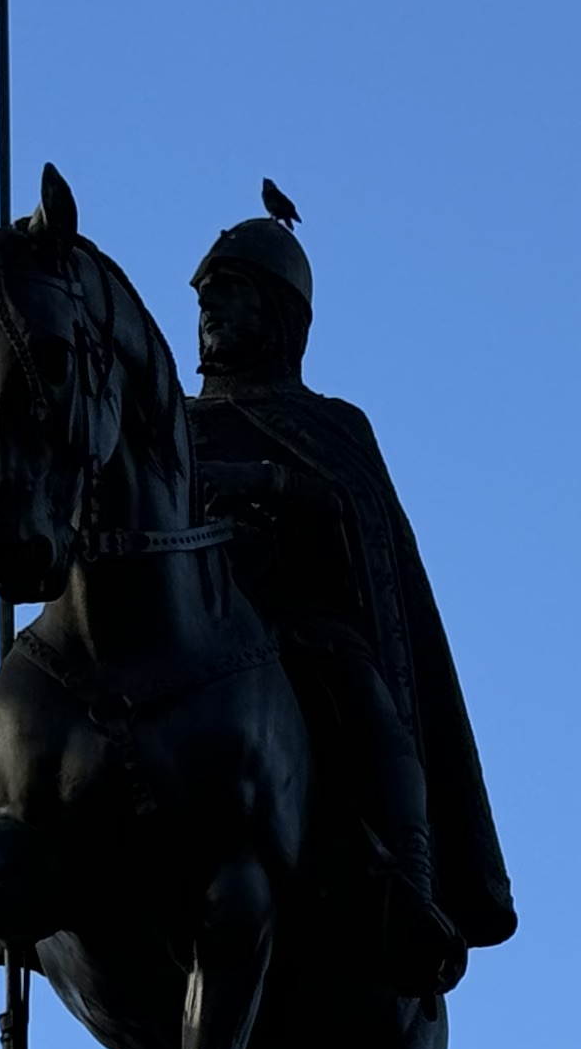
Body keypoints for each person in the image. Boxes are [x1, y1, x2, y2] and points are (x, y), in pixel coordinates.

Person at [188, 207, 516, 998]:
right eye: (205, 295)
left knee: (368, 704)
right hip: (187, 634)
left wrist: (265, 483)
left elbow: (356, 516)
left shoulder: (331, 425)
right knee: (26, 695)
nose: (210, 309)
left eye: (230, 291)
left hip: (298, 632)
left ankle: (411, 889)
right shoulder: (170, 422)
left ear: (277, 314)